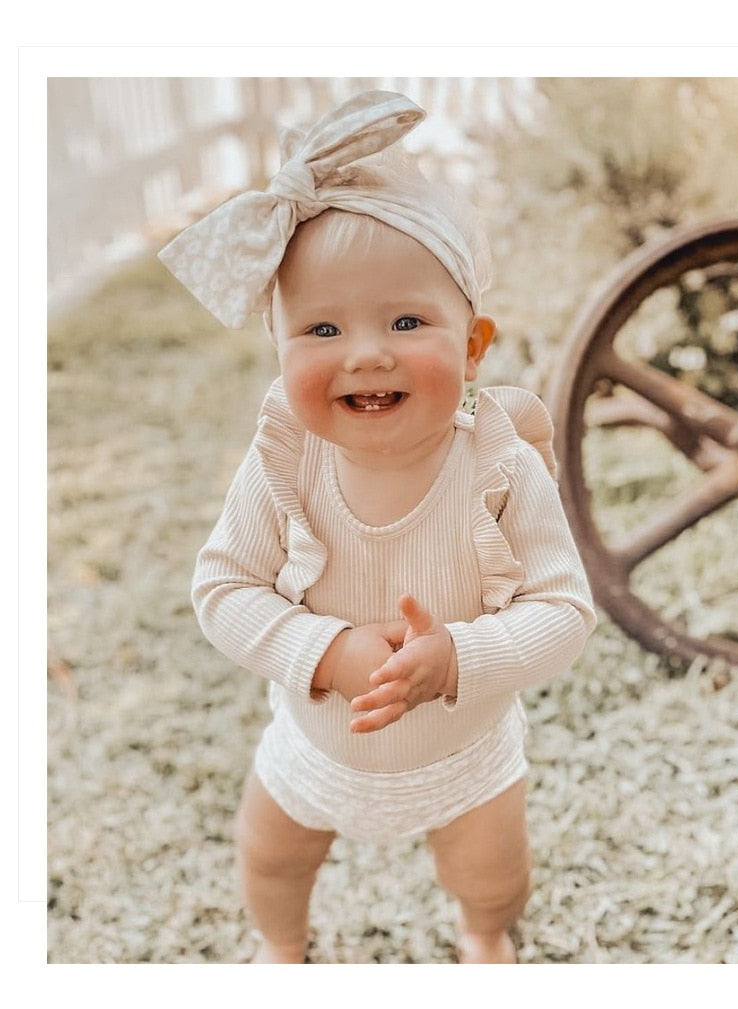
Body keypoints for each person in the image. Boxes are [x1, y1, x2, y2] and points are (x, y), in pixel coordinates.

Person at [159, 90, 596, 965]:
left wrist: (460, 659)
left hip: (462, 749)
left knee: (493, 876)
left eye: (406, 321)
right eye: (322, 328)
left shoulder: (501, 460)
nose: (366, 351)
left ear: (473, 347)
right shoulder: (286, 457)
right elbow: (222, 587)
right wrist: (324, 650)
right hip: (316, 748)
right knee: (270, 858)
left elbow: (564, 609)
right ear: (280, 354)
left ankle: (481, 935)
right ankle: (283, 950)